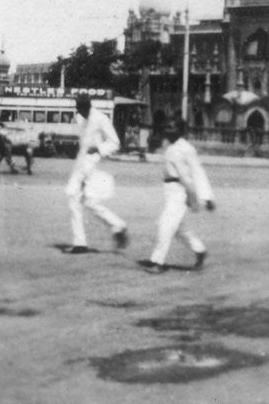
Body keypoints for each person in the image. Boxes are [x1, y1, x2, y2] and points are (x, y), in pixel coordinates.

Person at [141, 118, 215, 274]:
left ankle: (158, 261)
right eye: (167, 127)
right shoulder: (170, 146)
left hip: (181, 189)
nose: (169, 130)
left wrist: (206, 196)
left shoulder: (186, 148)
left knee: (165, 224)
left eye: (173, 128)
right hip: (169, 189)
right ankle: (199, 250)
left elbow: (197, 171)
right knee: (176, 228)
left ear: (181, 131)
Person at [65, 93, 128, 254]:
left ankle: (81, 243)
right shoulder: (80, 119)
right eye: (78, 107)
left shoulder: (100, 118)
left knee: (80, 200)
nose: (80, 111)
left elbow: (115, 142)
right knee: (82, 201)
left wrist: (99, 149)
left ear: (89, 105)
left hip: (91, 163)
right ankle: (116, 226)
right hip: (82, 163)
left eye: (83, 107)